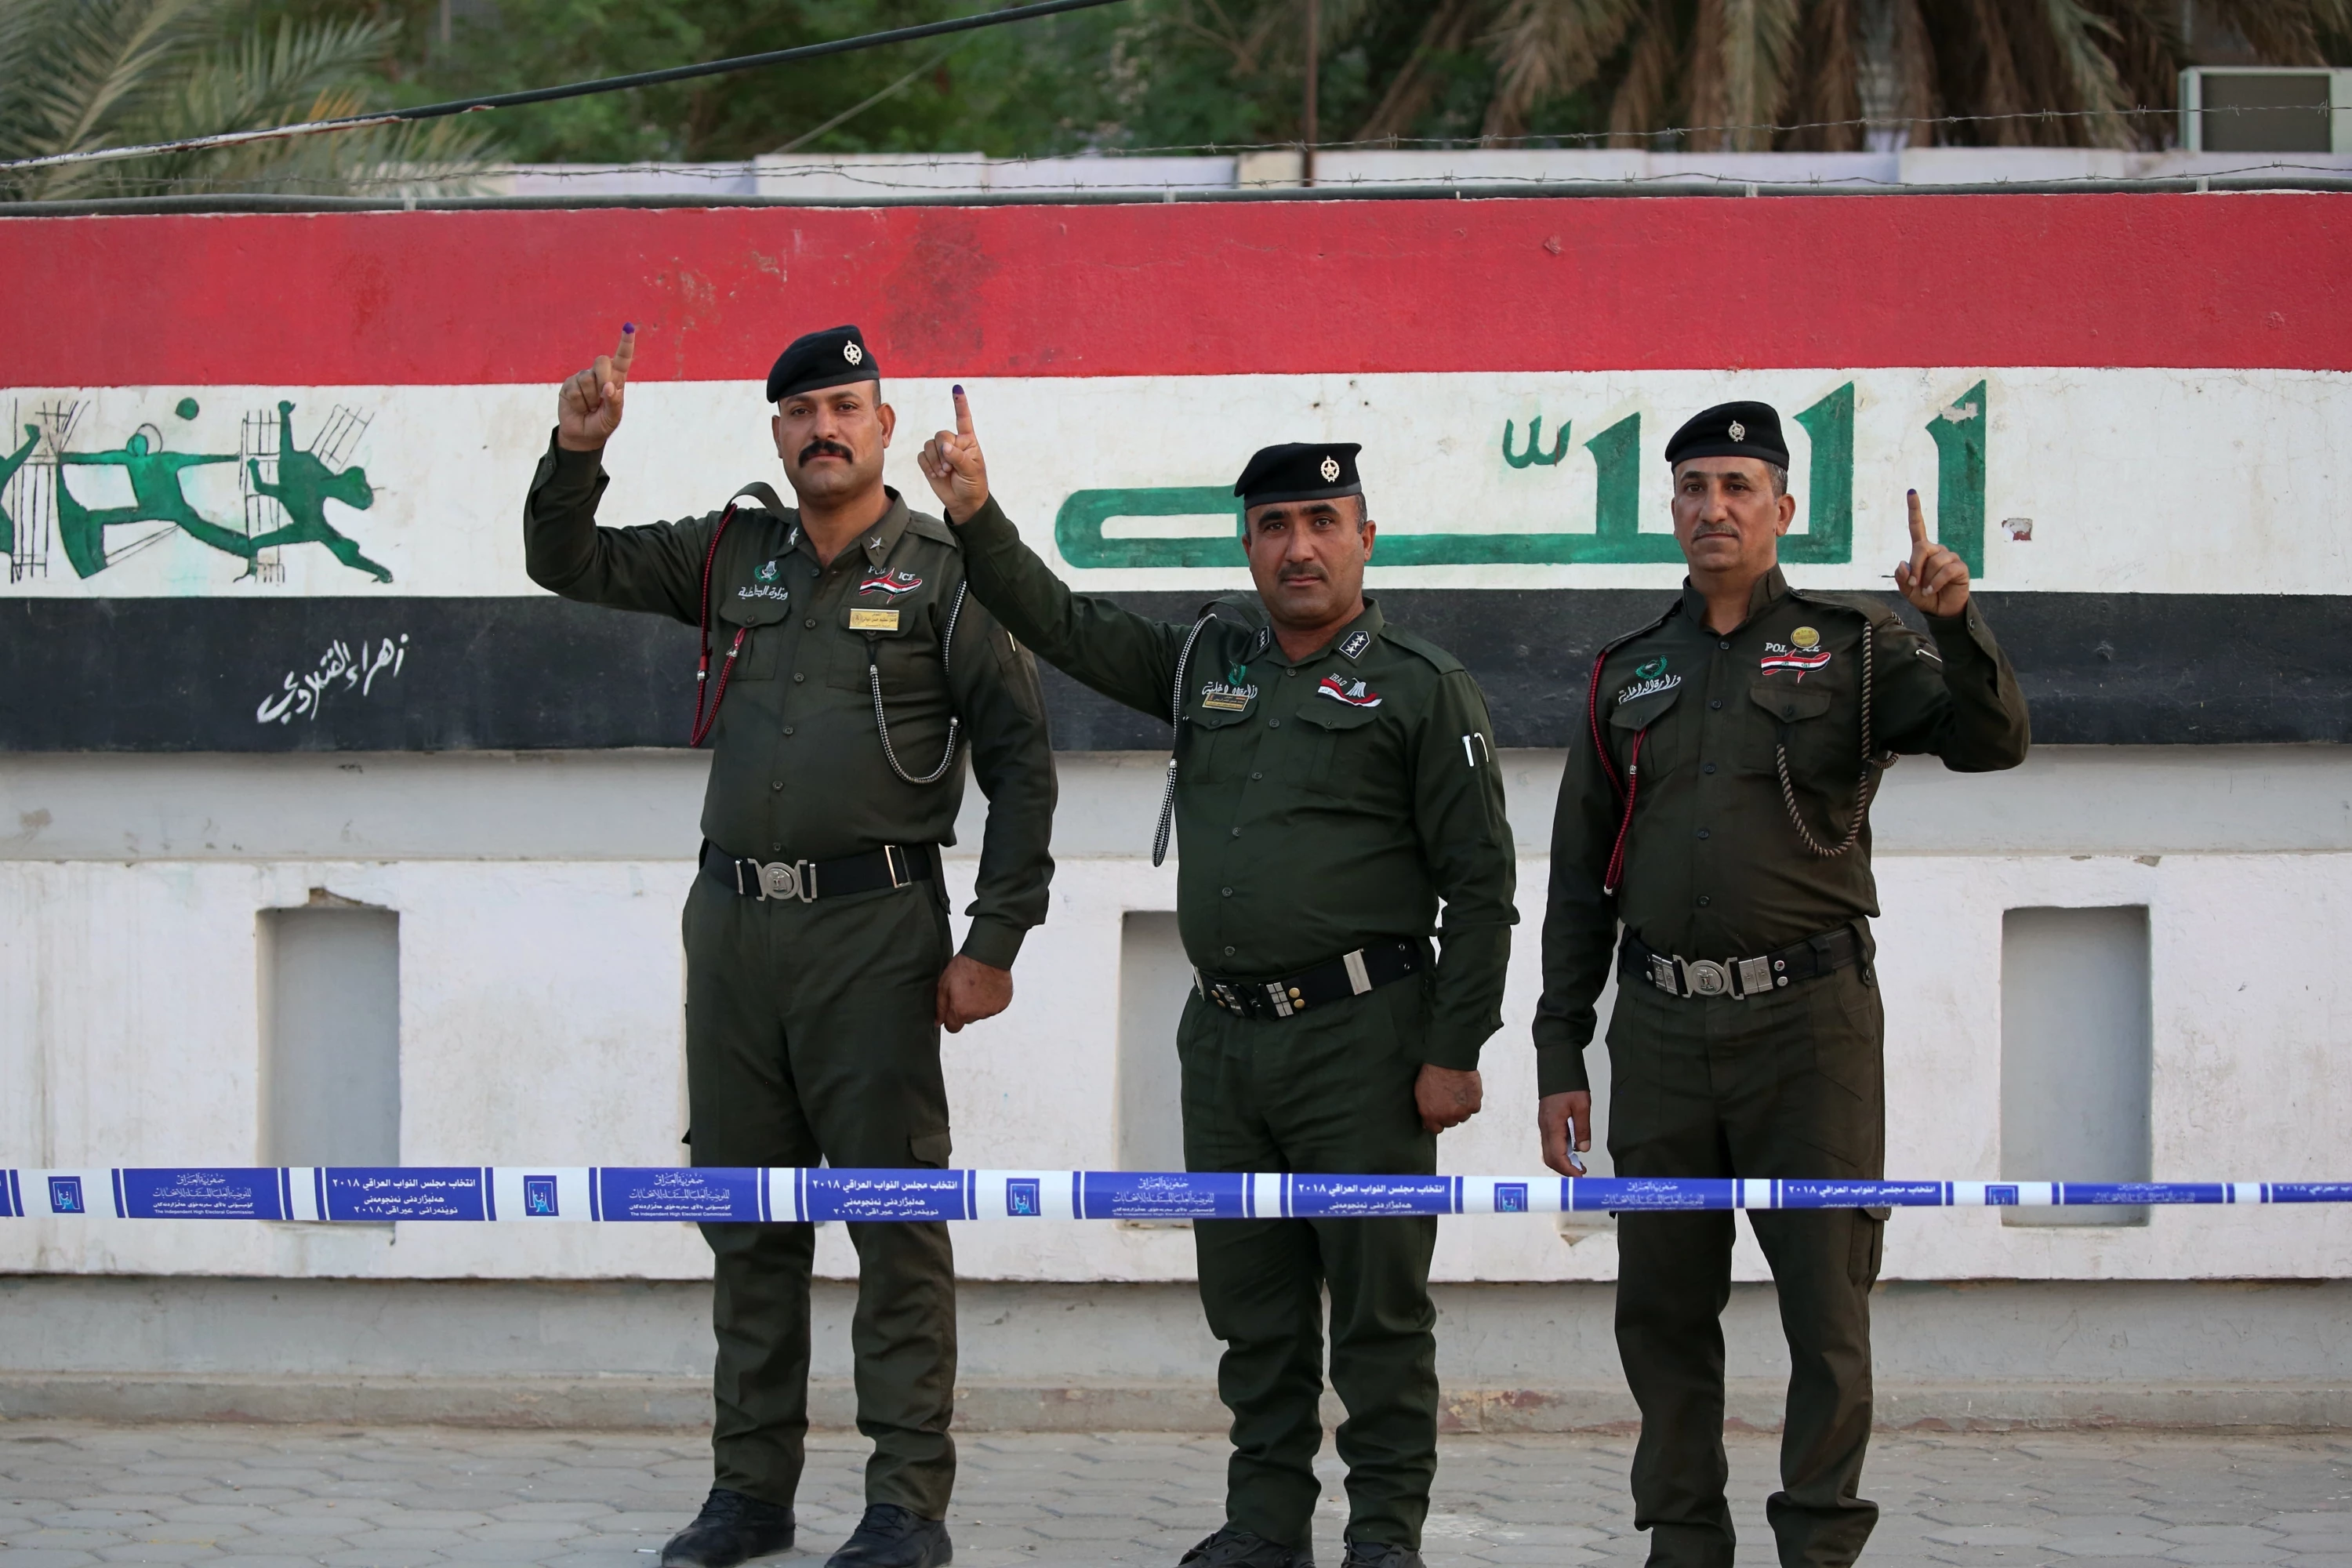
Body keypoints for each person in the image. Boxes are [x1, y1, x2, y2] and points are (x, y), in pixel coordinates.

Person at [916, 390, 1517, 1568]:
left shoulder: (1420, 684)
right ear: (1248, 544)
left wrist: (1456, 1051)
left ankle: (1384, 1537)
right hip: (1229, 1043)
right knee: (1253, 1309)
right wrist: (977, 515)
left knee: (1380, 1314)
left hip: (1366, 1042)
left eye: (1324, 522)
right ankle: (1266, 1525)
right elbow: (1063, 623)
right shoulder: (1207, 661)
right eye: (1275, 525)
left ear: (1366, 538)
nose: (1300, 546)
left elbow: (1483, 889)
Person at [524, 324, 1058, 1568]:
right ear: (777, 431)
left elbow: (1024, 763)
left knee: (891, 1219)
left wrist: (995, 938)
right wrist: (576, 453)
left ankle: (905, 1505)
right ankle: (749, 1495)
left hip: (876, 932)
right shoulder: (733, 553)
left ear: (884, 426)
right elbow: (566, 560)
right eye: (802, 411)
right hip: (733, 931)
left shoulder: (948, 573)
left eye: (846, 407)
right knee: (746, 1217)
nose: (824, 429)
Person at [1534, 401, 2031, 1568]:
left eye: (1738, 487)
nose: (1713, 508)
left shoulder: (1855, 647)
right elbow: (1580, 876)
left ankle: (1817, 1545)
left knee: (1826, 1308)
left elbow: (1991, 741)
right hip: (1660, 1028)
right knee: (1662, 1310)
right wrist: (1561, 1050)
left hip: (1811, 1028)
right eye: (1694, 488)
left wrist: (1954, 626)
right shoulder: (1627, 671)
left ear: (1783, 509)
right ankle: (1684, 1542)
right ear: (1671, 508)